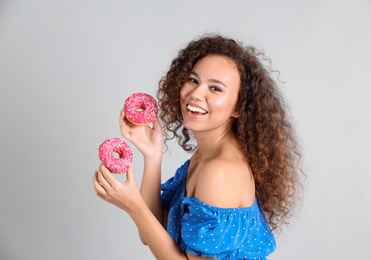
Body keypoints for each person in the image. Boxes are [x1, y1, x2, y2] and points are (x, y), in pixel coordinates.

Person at [93, 34, 304, 260]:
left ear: (239, 107)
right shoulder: (205, 156)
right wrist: (153, 156)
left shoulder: (219, 172)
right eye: (193, 80)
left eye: (215, 88)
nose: (195, 94)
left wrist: (133, 205)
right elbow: (152, 234)